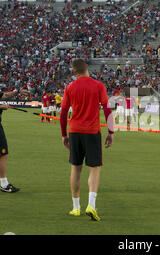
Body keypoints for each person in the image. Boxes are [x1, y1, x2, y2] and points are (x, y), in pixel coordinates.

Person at [60, 59, 114, 220]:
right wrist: (110, 131)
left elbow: (63, 114)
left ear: (74, 72)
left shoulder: (70, 87)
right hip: (92, 131)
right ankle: (91, 205)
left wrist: (64, 135)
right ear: (87, 69)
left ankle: (76, 207)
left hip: (75, 131)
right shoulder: (98, 86)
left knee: (76, 168)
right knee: (94, 168)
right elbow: (107, 110)